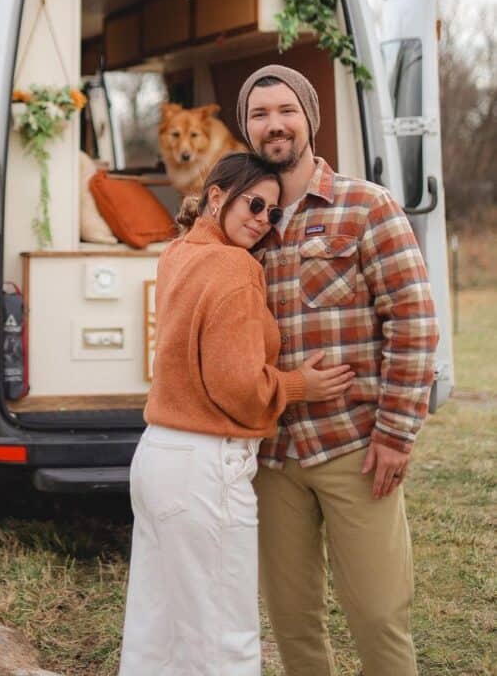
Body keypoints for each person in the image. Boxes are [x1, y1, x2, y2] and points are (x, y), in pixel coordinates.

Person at [235, 64, 439, 676]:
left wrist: (396, 433)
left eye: (286, 110)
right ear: (246, 129)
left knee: (378, 615)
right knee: (293, 623)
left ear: (310, 119)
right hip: (272, 455)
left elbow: (413, 319)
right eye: (259, 114)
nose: (275, 125)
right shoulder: (244, 223)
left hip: (355, 446)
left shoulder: (366, 206)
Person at [118, 152, 354, 676]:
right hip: (207, 466)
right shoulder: (234, 267)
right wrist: (299, 385)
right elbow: (239, 389)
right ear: (218, 196)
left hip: (157, 456)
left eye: (271, 212)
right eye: (254, 204)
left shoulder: (177, 253)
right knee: (227, 639)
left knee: (156, 632)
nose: (261, 220)